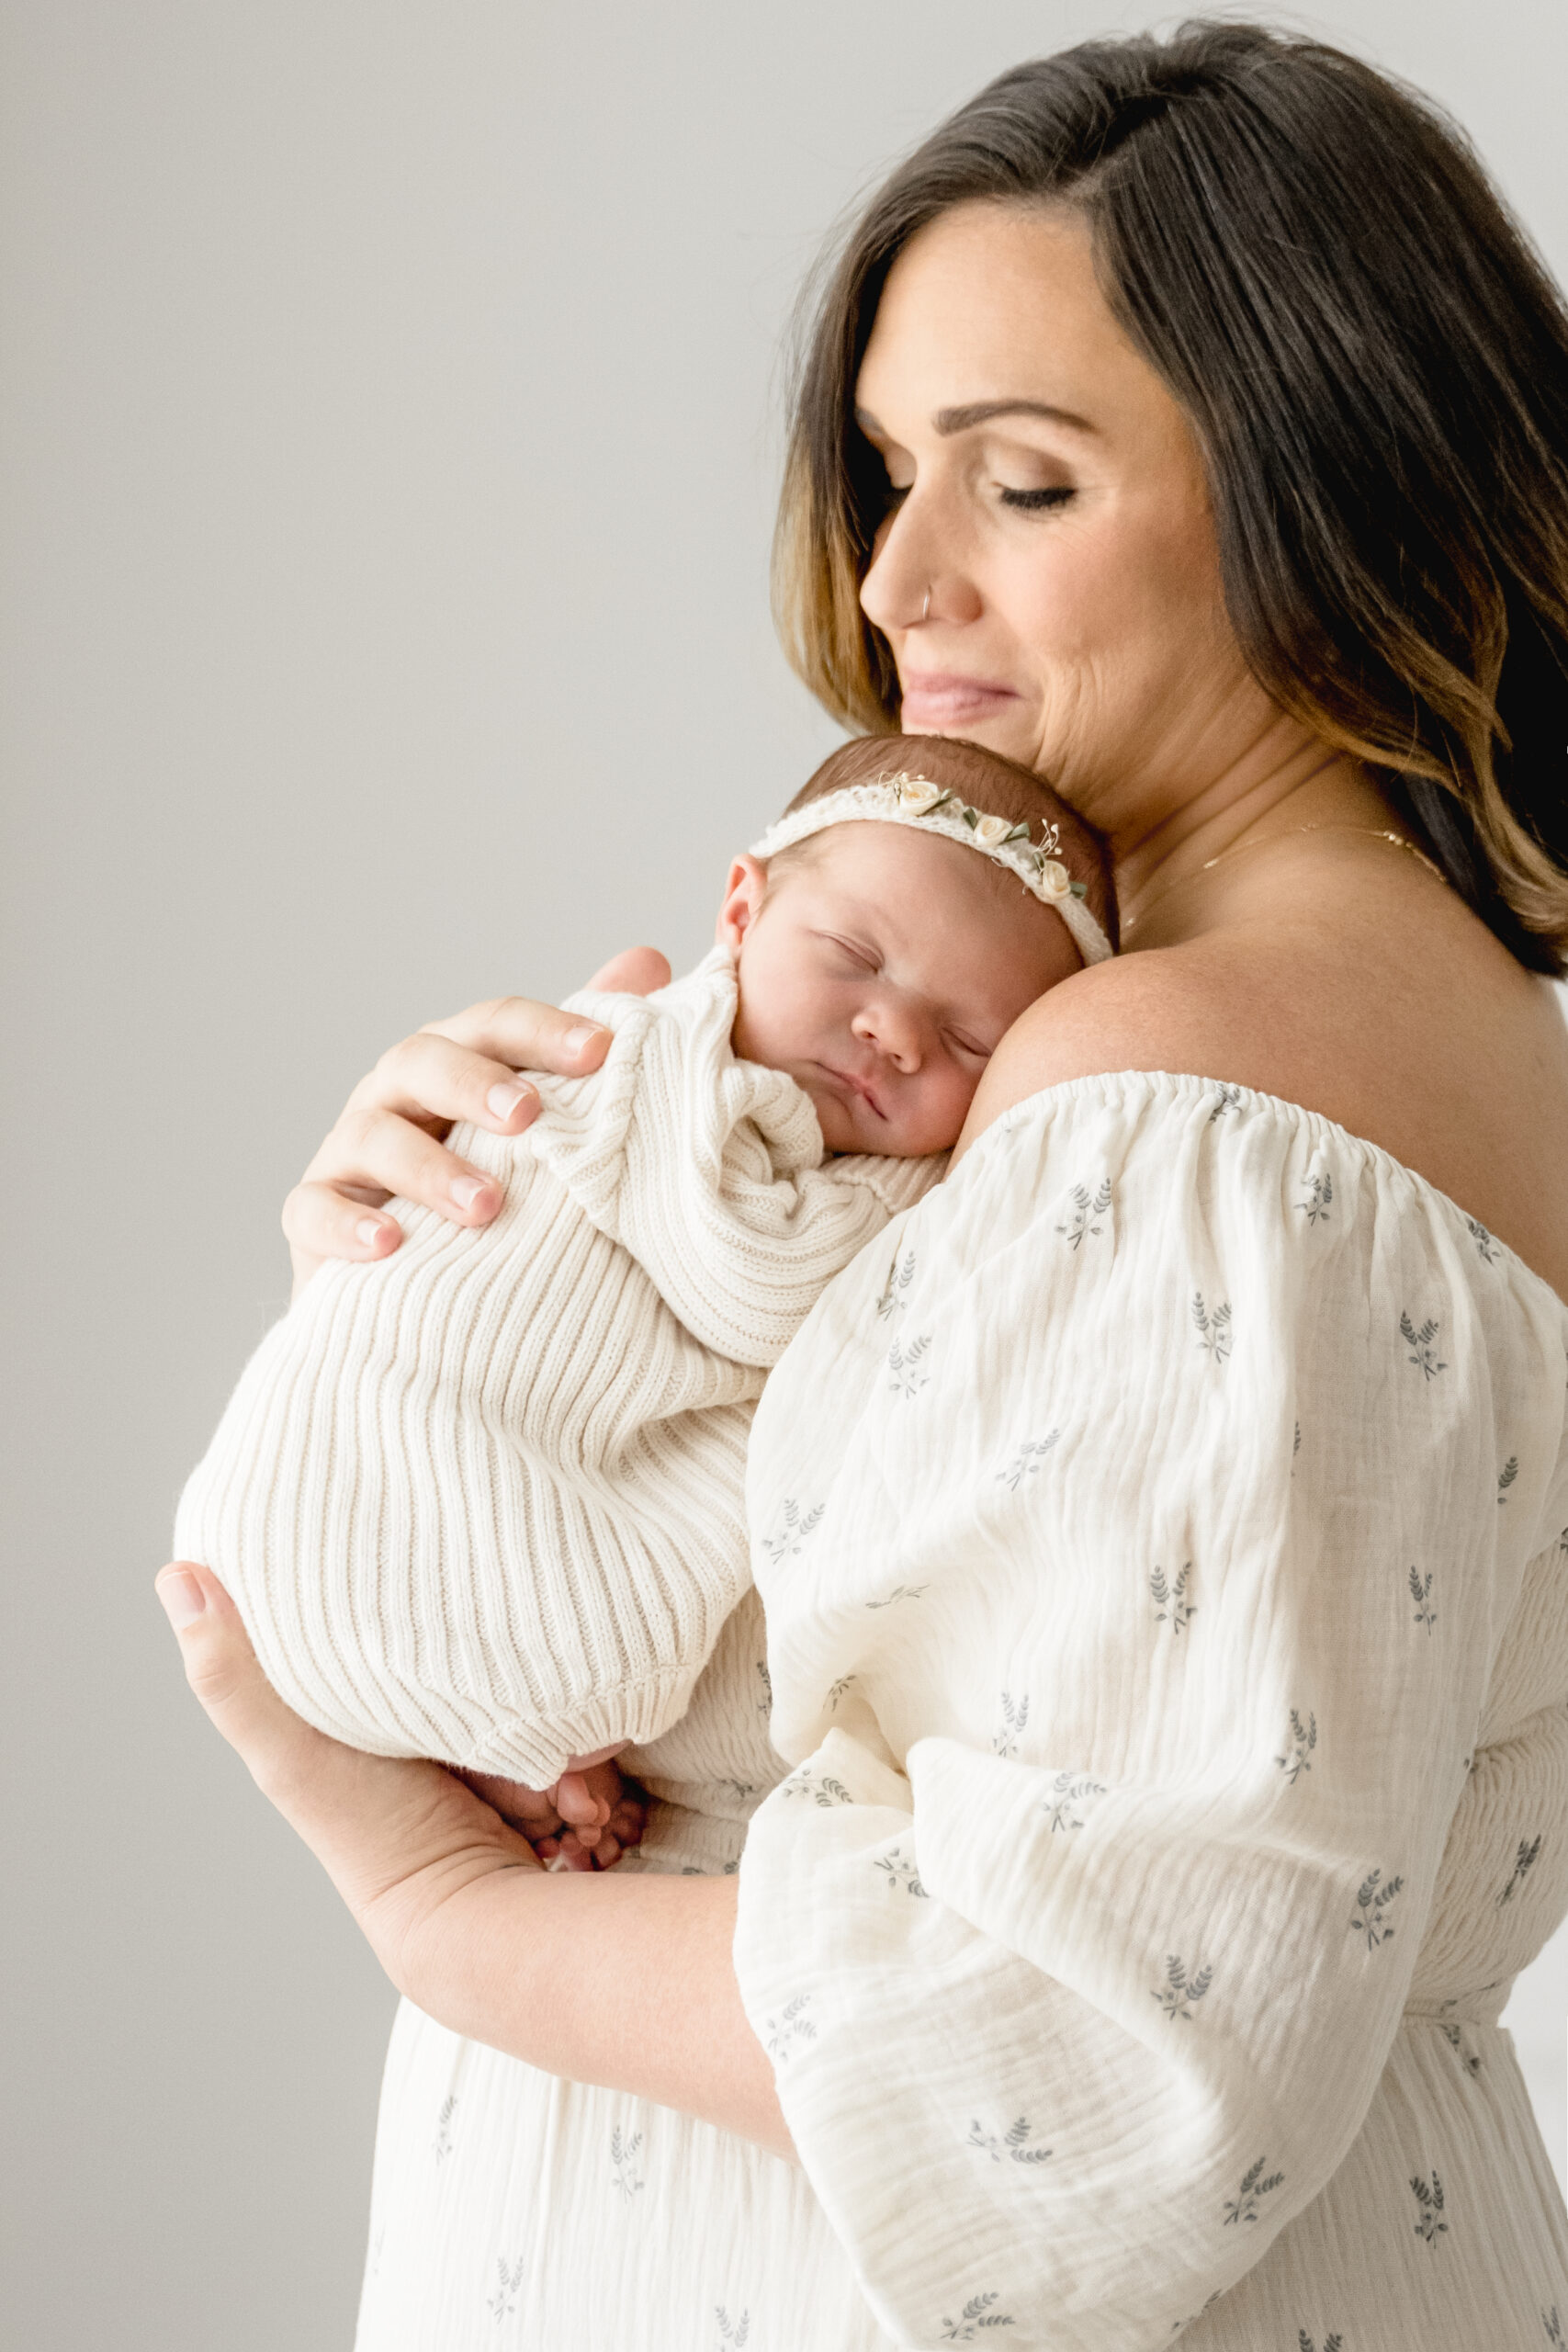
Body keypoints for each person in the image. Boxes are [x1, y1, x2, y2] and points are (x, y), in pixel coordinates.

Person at [157, 23, 1568, 2349]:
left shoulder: (1181, 1099)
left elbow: (1089, 2059)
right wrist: (471, 1306)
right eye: (886, 469)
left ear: (1337, 483)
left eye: (1018, 483)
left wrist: (432, 1896)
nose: (897, 572)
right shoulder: (1310, 1046)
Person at [172, 733, 1111, 1861]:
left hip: (309, 1549)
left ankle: (508, 1751)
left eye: (969, 1037)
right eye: (855, 956)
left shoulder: (830, 1132)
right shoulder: (649, 1059)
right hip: (388, 1451)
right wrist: (925, 1195)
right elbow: (756, 1290)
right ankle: (500, 1720)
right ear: (741, 909)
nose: (895, 1031)